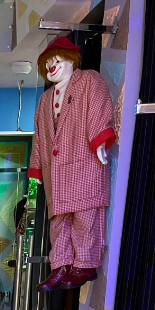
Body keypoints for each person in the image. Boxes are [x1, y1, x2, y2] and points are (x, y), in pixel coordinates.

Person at [28, 37, 115, 291]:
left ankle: (85, 265)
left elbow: (99, 108)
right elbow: (40, 136)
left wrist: (99, 141)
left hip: (83, 163)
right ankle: (60, 266)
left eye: (56, 61)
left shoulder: (89, 81)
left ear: (70, 60)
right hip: (55, 170)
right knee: (58, 221)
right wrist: (37, 168)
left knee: (85, 217)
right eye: (47, 64)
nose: (51, 67)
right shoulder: (45, 99)